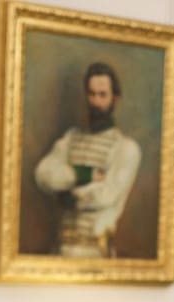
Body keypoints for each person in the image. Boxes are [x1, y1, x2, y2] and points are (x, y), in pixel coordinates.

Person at [34, 62, 141, 258]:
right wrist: (82, 174)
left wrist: (71, 198)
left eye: (102, 95)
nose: (96, 102)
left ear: (115, 99)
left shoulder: (126, 148)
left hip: (95, 253)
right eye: (91, 94)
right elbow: (43, 174)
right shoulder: (71, 138)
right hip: (60, 250)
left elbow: (108, 193)